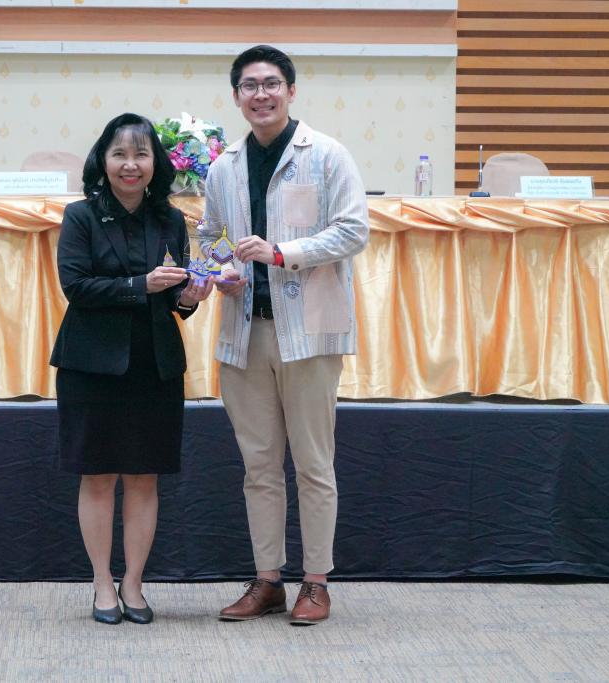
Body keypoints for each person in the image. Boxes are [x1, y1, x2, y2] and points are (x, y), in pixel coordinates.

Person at [199, 45, 369, 625]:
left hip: (309, 335)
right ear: (236, 97)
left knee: (314, 464)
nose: (261, 94)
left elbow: (353, 230)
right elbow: (210, 236)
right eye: (250, 86)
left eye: (271, 83)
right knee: (259, 467)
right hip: (245, 332)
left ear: (291, 91)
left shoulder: (327, 155)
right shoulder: (223, 166)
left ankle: (315, 583)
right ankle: (267, 581)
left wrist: (280, 253)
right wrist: (222, 269)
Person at [50, 113, 212, 625]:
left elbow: (176, 299)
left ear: (155, 163)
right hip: (92, 364)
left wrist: (190, 297)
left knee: (144, 478)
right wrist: (140, 285)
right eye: (119, 153)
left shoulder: (171, 220)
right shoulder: (80, 216)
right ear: (103, 160)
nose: (130, 164)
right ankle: (102, 583)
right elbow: (76, 287)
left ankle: (135, 583)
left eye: (141, 154)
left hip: (154, 363)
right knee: (98, 477)